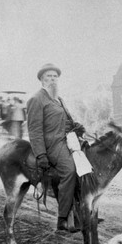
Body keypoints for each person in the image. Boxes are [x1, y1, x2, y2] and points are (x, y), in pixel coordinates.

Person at [27, 63, 85, 232]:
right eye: (48, 76)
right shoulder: (36, 99)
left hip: (67, 140)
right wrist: (41, 154)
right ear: (41, 80)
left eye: (55, 76)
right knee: (70, 171)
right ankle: (63, 218)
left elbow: (67, 120)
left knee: (86, 166)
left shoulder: (59, 98)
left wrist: (76, 125)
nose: (52, 79)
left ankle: (82, 212)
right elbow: (34, 129)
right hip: (51, 145)